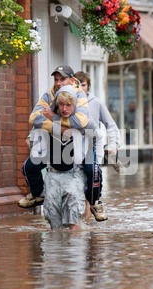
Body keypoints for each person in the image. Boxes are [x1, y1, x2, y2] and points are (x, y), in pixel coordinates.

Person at [19, 66, 107, 221]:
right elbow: (34, 118)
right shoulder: (49, 94)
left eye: (62, 79)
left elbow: (81, 121)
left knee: (92, 170)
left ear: (72, 80)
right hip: (56, 144)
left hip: (83, 143)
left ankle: (95, 202)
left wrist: (53, 117)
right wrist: (59, 128)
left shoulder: (80, 95)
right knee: (29, 167)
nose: (58, 83)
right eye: (56, 80)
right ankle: (38, 194)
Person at [42, 85, 101, 230]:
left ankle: (76, 250)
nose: (64, 109)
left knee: (74, 220)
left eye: (68, 105)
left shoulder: (83, 121)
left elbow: (98, 138)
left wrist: (95, 163)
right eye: (61, 105)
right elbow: (35, 134)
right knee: (54, 224)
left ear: (75, 105)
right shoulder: (47, 118)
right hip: (52, 175)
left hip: (75, 174)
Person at [74, 71, 121, 220]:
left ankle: (91, 211)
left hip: (92, 146)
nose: (81, 88)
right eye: (78, 85)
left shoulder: (96, 102)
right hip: (72, 147)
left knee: (92, 175)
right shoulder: (67, 102)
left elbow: (111, 125)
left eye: (83, 85)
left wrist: (114, 144)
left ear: (88, 86)